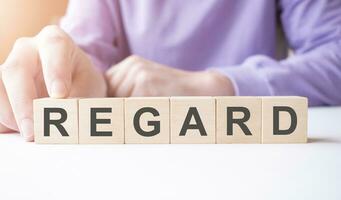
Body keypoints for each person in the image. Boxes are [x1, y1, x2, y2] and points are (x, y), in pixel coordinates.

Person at [0, 0, 340, 141]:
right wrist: (77, 80)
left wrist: (213, 85)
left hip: (259, 162)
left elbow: (334, 53)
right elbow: (85, 50)